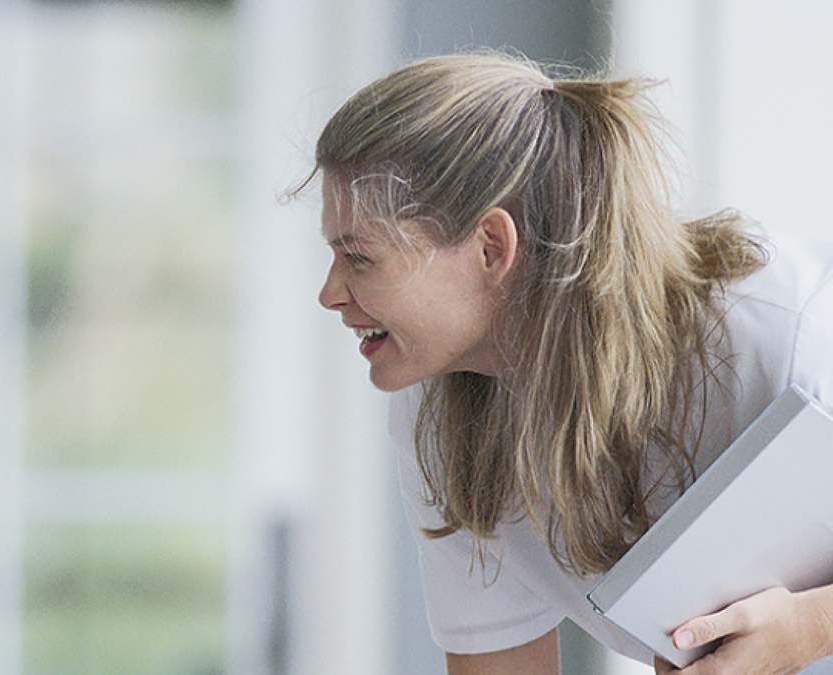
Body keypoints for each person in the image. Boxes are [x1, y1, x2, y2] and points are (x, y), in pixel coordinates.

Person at [308, 52, 833, 674]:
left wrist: (812, 627)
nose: (329, 293)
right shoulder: (442, 412)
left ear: (491, 247)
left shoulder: (784, 331)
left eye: (359, 257)